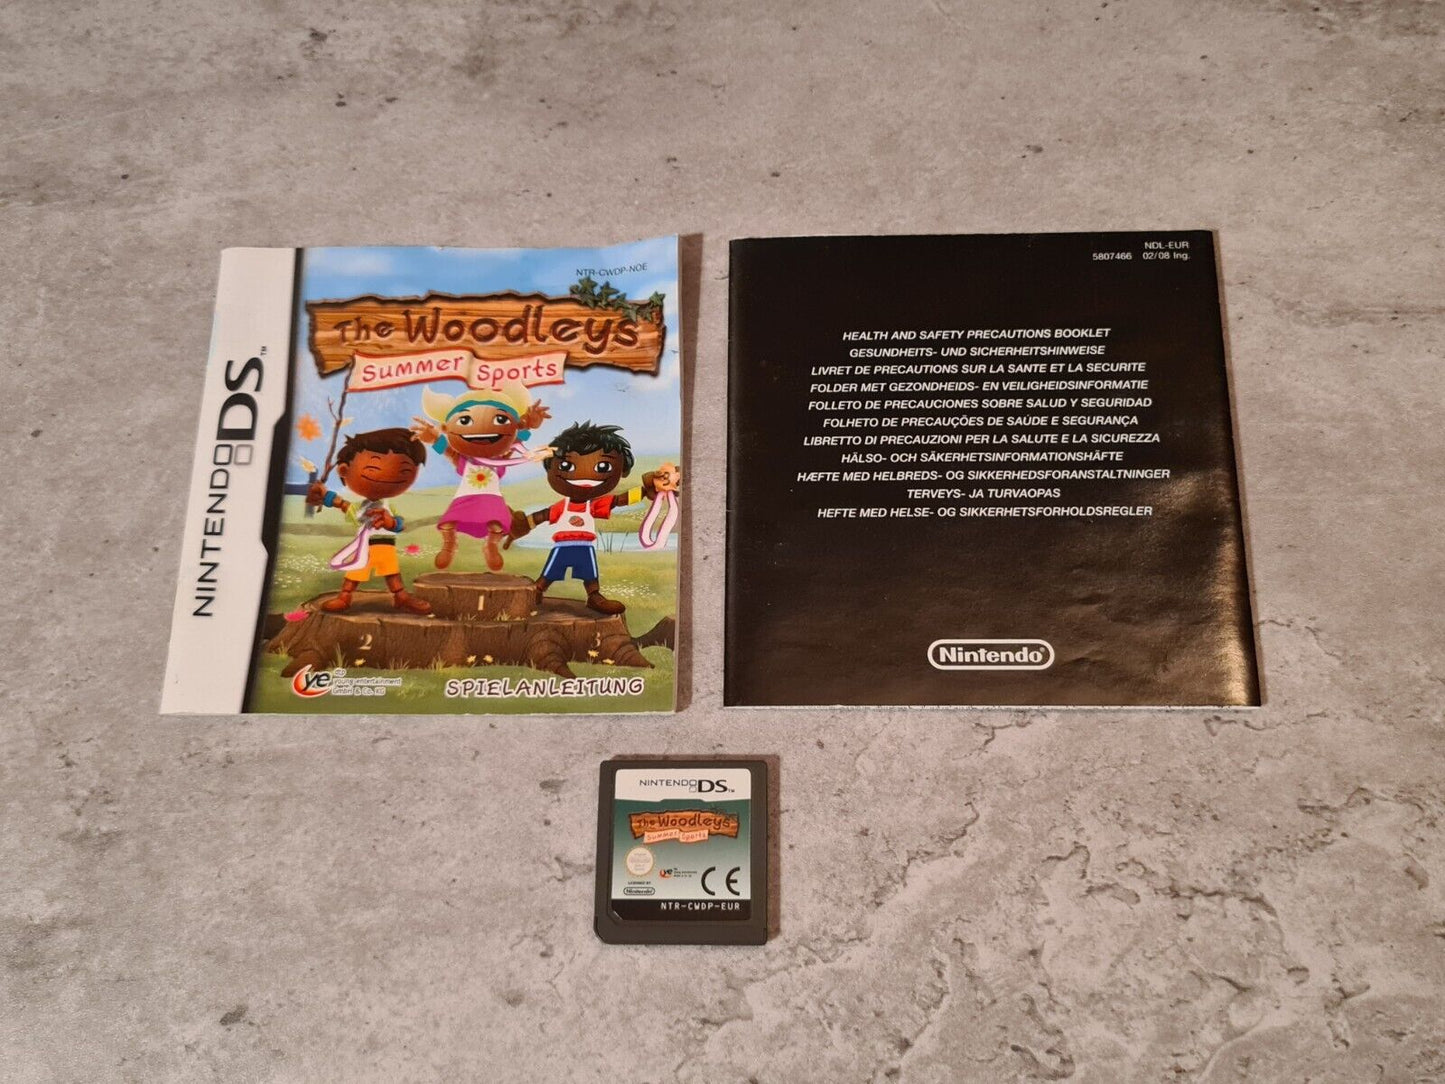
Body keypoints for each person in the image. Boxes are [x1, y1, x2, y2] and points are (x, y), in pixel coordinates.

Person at [507, 421, 659, 615]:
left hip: (585, 545)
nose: (584, 476)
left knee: (590, 573)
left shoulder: (593, 504)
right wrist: (523, 525)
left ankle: (594, 597)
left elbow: (620, 500)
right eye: (566, 465)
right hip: (563, 545)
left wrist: (645, 491)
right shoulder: (562, 506)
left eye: (602, 466)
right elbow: (543, 515)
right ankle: (537, 591)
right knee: (551, 571)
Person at [410, 382, 551, 572]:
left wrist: (529, 427)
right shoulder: (464, 459)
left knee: (496, 523)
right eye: (465, 421)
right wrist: (434, 438)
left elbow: (515, 442)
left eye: (500, 419)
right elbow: (446, 450)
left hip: (491, 498)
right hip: (465, 498)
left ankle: (491, 545)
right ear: (446, 427)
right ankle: (449, 545)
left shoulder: (500, 458)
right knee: (449, 522)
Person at [306, 428, 432, 614]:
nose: (389, 477)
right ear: (344, 470)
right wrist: (325, 496)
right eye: (373, 469)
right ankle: (345, 597)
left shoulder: (387, 506)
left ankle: (401, 597)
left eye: (404, 471)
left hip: (385, 547)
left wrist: (390, 522)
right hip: (365, 547)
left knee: (392, 573)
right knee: (355, 573)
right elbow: (344, 505)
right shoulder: (362, 507)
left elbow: (399, 524)